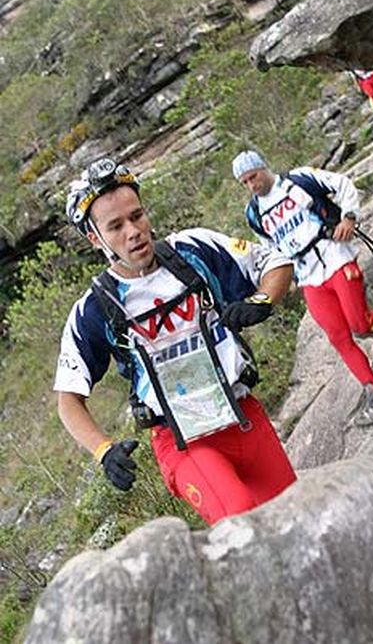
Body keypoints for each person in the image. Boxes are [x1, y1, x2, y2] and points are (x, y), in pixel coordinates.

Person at [54, 156, 297, 526]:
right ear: (95, 238)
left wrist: (263, 300)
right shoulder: (95, 309)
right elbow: (68, 401)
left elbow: (275, 262)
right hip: (185, 443)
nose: (133, 231)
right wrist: (104, 450)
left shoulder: (193, 249)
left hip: (245, 418)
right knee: (243, 524)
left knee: (298, 522)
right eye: (115, 226)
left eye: (136, 216)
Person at [232, 150, 373, 425]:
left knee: (360, 324)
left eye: (253, 177)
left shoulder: (297, 180)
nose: (252, 185)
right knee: (339, 337)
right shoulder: (254, 212)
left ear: (263, 167)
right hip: (307, 276)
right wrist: (284, 275)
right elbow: (270, 247)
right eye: (245, 182)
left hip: (335, 257)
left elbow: (342, 183)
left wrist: (349, 217)